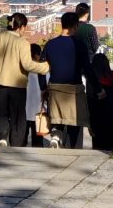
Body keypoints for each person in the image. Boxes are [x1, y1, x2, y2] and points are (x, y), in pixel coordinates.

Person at [0, 14, 49, 147]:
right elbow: (27, 64)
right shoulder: (22, 43)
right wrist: (44, 68)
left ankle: (2, 137)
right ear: (21, 27)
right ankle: (16, 142)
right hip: (17, 86)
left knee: (1, 114)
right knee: (18, 116)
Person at [41, 11, 96, 149]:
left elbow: (41, 68)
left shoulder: (50, 44)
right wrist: (98, 88)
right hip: (74, 89)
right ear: (75, 26)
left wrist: (43, 88)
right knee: (75, 123)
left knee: (58, 117)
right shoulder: (79, 45)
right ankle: (73, 150)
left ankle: (56, 135)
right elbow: (87, 68)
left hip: (55, 87)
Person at [89, 51, 113, 152]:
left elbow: (91, 104)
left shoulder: (94, 83)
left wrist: (91, 125)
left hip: (99, 122)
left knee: (100, 150)